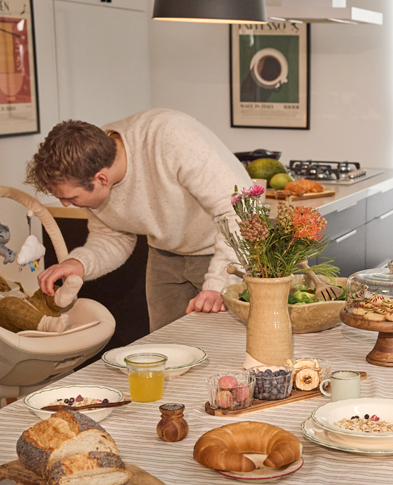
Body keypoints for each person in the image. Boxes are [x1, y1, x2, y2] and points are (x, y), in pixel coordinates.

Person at [25, 109, 251, 331]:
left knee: (225, 342)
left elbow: (242, 213)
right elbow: (112, 235)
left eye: (71, 198)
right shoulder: (84, 163)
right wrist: (78, 263)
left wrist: (220, 283)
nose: (65, 205)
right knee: (165, 346)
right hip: (164, 255)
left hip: (224, 251)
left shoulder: (172, 137)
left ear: (101, 178)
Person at [0, 240, 82, 333]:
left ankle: (60, 299)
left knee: (44, 292)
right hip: (1, 326)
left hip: (30, 313)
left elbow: (27, 299)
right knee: (8, 305)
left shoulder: (5, 282)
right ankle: (47, 325)